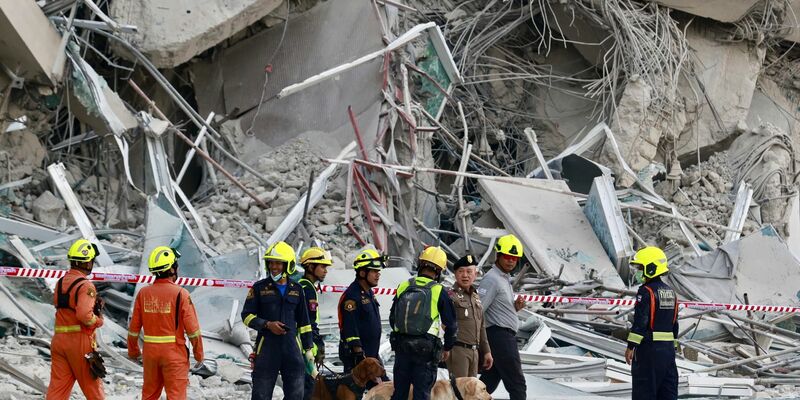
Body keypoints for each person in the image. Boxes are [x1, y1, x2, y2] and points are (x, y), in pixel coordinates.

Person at [127, 246, 204, 400]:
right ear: (171, 269)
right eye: (175, 265)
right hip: (174, 354)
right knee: (176, 396)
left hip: (150, 355)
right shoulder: (180, 294)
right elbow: (193, 330)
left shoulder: (143, 293)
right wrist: (198, 354)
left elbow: (133, 328)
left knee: (149, 395)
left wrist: (134, 351)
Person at [242, 241, 314, 400]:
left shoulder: (297, 289)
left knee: (296, 396)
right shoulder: (259, 288)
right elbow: (246, 316)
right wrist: (267, 325)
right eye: (271, 263)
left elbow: (304, 323)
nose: (274, 267)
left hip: (292, 351)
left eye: (278, 263)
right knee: (261, 396)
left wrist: (309, 350)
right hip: (267, 349)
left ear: (288, 265)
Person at [389, 246, 457, 400]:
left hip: (402, 347)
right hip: (426, 350)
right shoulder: (439, 291)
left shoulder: (404, 286)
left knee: (399, 393)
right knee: (422, 394)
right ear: (439, 271)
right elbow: (451, 325)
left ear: (420, 265)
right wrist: (447, 347)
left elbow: (393, 318)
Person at [47, 239, 105, 400]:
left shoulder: (60, 282)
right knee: (93, 389)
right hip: (79, 343)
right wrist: (98, 321)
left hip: (59, 340)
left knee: (57, 390)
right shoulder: (86, 286)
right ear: (87, 262)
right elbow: (84, 316)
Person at [625, 246, 679, 400]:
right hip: (668, 353)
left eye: (641, 267)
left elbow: (641, 322)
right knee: (667, 393)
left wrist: (630, 347)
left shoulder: (646, 291)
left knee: (645, 392)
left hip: (649, 351)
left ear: (651, 268)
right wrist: (673, 348)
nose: (638, 272)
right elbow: (675, 324)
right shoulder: (671, 292)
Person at [478, 234, 527, 400]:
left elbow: (496, 309)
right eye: (507, 257)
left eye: (514, 258)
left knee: (486, 385)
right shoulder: (492, 279)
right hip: (500, 337)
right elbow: (478, 310)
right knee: (517, 384)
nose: (511, 261)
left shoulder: (504, 278)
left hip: (501, 336)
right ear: (497, 256)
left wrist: (515, 308)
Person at [338, 248, 385, 373]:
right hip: (358, 359)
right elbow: (350, 327)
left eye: (378, 271)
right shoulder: (352, 297)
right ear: (363, 273)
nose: (378, 275)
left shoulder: (368, 292)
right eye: (374, 271)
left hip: (370, 356)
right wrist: (358, 354)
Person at [446, 254, 493, 378]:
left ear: (475, 275)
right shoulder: (451, 295)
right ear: (455, 274)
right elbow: (444, 324)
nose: (465, 275)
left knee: (471, 393)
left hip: (474, 352)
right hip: (458, 350)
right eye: (461, 271)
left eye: (469, 271)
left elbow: (481, 326)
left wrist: (487, 351)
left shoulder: (476, 297)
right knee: (459, 391)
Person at [297, 247, 332, 400]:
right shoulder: (308, 289)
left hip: (300, 345)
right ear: (311, 267)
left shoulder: (301, 285)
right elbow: (309, 321)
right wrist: (317, 343)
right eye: (323, 266)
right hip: (305, 347)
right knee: (307, 388)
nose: (326, 271)